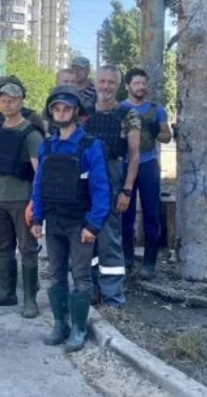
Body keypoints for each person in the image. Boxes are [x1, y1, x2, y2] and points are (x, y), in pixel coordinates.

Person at [30, 85, 110, 352]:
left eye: (66, 108)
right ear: (51, 112)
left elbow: (101, 189)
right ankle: (60, 324)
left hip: (80, 224)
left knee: (81, 277)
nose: (61, 112)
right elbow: (39, 184)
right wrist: (37, 218)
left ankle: (78, 328)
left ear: (76, 112)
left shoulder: (91, 146)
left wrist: (93, 225)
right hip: (54, 222)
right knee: (55, 275)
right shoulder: (47, 145)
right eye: (56, 108)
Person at [0, 83, 44, 318]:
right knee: (2, 246)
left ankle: (30, 301)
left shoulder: (31, 134)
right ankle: (6, 293)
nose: (7, 103)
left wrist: (35, 203)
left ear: (21, 102)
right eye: (3, 99)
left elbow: (40, 172)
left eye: (12, 99)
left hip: (21, 200)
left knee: (27, 249)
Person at [83, 65, 141, 308]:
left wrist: (126, 191)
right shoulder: (83, 113)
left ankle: (113, 297)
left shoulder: (127, 115)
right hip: (85, 181)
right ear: (95, 82)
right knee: (87, 239)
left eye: (111, 82)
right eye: (102, 81)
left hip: (112, 180)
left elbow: (134, 156)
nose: (105, 86)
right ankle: (91, 289)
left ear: (118, 85)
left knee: (109, 240)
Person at [120, 68, 172, 280]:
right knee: (125, 214)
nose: (141, 87)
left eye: (144, 83)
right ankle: (127, 259)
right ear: (127, 86)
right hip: (124, 165)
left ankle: (150, 263)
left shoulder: (155, 109)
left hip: (148, 164)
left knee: (151, 214)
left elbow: (167, 137)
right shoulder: (120, 109)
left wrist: (155, 131)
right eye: (136, 83)